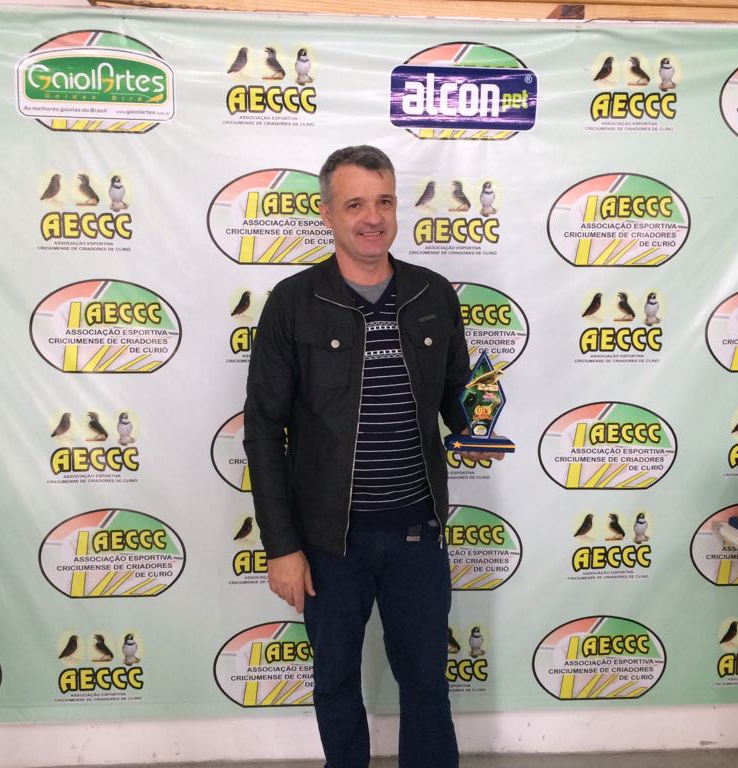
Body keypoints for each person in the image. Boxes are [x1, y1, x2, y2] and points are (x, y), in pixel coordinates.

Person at [244, 145, 500, 767]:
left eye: (384, 201)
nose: (373, 217)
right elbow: (263, 430)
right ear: (327, 213)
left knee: (427, 686)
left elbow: (456, 399)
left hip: (418, 535)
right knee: (335, 684)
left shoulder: (432, 294)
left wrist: (478, 415)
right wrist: (281, 546)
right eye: (355, 204)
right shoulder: (294, 302)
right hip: (329, 545)